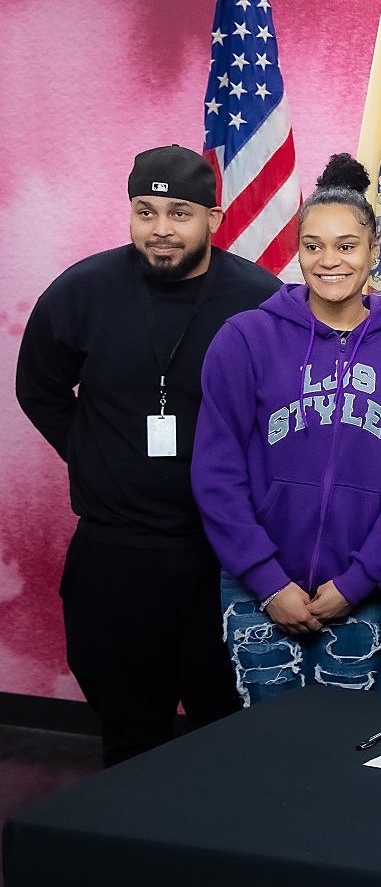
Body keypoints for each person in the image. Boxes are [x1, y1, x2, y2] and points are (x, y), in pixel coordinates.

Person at [15, 145, 279, 765]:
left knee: (234, 736)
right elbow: (40, 388)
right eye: (146, 211)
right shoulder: (82, 291)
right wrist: (93, 454)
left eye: (180, 213)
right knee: (130, 737)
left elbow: (283, 416)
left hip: (223, 555)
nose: (161, 230)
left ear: (213, 218)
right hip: (116, 553)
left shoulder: (260, 299)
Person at [192, 154, 381, 706]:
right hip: (257, 587)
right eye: (313, 245)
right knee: (266, 751)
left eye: (347, 246)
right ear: (297, 249)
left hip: (359, 588)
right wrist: (267, 579)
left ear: (375, 251)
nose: (329, 261)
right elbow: (217, 472)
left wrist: (356, 583)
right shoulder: (245, 338)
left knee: (343, 751)